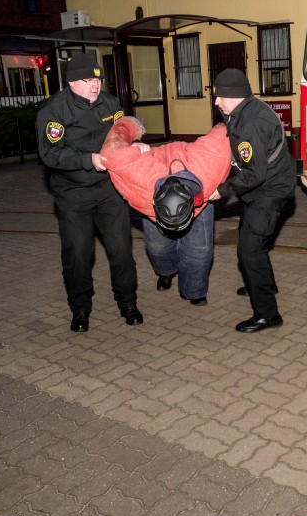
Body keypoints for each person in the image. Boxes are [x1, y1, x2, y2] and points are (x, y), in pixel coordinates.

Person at [36, 51, 140, 332]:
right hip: (73, 194)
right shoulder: (54, 111)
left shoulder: (111, 103)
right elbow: (50, 153)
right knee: (79, 254)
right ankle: (80, 309)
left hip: (109, 191)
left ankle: (127, 302)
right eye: (87, 80)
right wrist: (87, 160)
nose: (95, 84)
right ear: (71, 82)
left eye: (98, 79)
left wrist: (134, 144)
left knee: (121, 250)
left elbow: (122, 133)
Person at [99, 116, 231, 306]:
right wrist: (133, 127)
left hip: (196, 194)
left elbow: (224, 131)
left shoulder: (207, 174)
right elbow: (113, 148)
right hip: (151, 185)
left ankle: (194, 289)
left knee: (200, 250)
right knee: (157, 247)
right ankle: (166, 271)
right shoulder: (139, 189)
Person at [211, 68, 295, 333]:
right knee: (253, 241)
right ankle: (263, 285)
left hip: (268, 192)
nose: (217, 102)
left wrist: (223, 190)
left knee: (249, 250)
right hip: (265, 188)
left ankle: (267, 314)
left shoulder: (250, 123)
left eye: (220, 97)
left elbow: (254, 174)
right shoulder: (247, 109)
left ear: (235, 96)